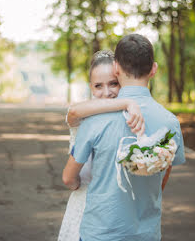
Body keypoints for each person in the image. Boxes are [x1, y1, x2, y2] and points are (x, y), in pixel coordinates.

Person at [62, 34, 186, 241]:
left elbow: (68, 178)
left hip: (99, 233)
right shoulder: (170, 122)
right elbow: (161, 178)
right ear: (154, 69)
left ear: (116, 69)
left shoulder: (94, 120)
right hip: (146, 233)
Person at [58, 50, 146, 241]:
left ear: (122, 81)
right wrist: (127, 102)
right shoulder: (85, 115)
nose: (106, 93)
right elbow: (73, 111)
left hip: (121, 208)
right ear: (90, 87)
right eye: (98, 86)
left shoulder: (132, 118)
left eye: (113, 84)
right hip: (85, 204)